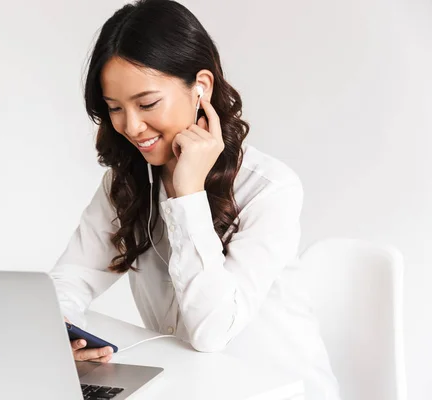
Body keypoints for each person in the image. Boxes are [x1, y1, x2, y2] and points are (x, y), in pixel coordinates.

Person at [49, 1, 341, 398]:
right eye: (115, 109)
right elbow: (71, 279)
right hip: (190, 387)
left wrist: (188, 193)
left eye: (147, 103)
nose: (131, 127)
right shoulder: (127, 183)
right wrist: (62, 331)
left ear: (200, 87)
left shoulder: (270, 189)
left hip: (275, 390)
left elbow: (211, 332)